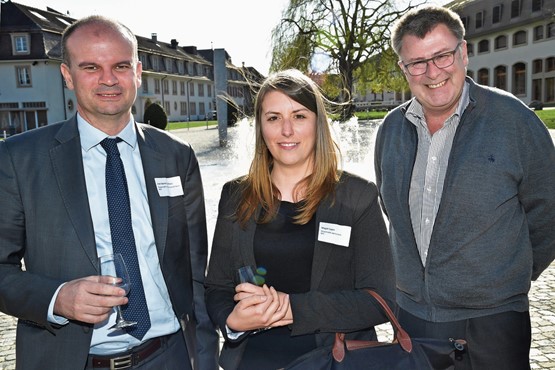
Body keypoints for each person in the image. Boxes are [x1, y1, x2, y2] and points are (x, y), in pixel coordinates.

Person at [0, 15, 219, 370]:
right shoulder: (19, 159)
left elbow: (195, 273)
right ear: (67, 75)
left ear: (138, 72)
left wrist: (206, 360)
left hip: (169, 357)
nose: (108, 79)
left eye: (120, 65)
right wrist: (57, 299)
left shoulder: (177, 156)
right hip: (70, 361)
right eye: (91, 67)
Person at [374, 5, 555, 369]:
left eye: (442, 56)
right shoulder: (390, 131)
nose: (433, 72)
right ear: (403, 68)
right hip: (413, 318)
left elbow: (548, 211)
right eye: (417, 63)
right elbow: (390, 209)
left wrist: (503, 278)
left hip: (494, 322)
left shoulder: (514, 120)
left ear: (464, 52)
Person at [204, 69, 395, 370]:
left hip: (333, 362)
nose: (287, 131)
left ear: (318, 123)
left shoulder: (357, 196)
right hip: (252, 362)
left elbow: (380, 300)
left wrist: (292, 309)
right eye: (273, 118)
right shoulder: (236, 195)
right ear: (261, 128)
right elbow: (216, 286)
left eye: (299, 116)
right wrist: (231, 320)